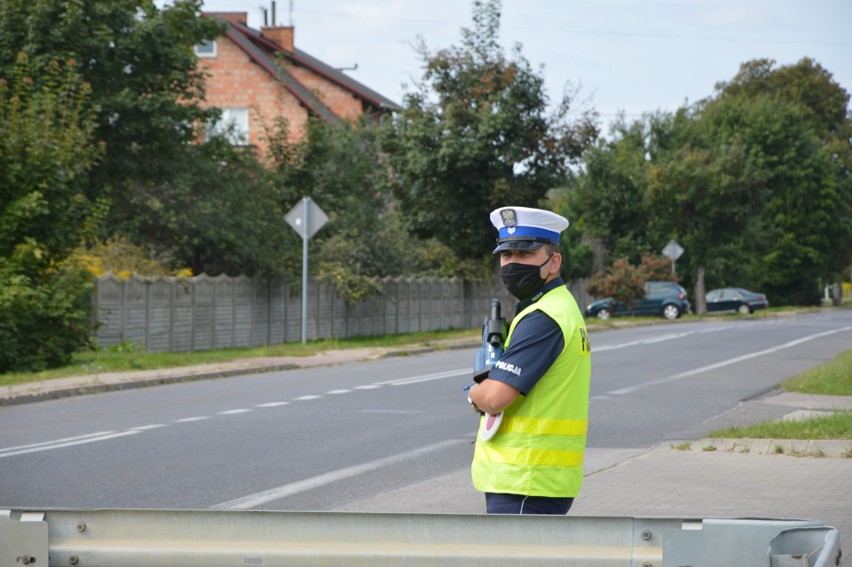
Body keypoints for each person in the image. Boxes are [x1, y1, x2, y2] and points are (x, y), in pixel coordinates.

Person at [467, 206, 591, 515]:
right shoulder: (558, 306)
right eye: (506, 256)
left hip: (526, 480)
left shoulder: (544, 317)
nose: (511, 265)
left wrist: (473, 395)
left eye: (524, 255)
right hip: (532, 479)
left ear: (554, 261)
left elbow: (494, 398)